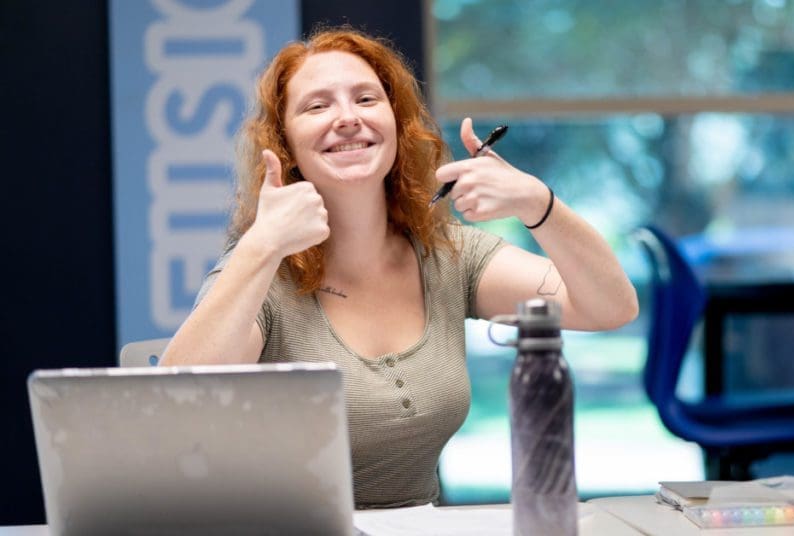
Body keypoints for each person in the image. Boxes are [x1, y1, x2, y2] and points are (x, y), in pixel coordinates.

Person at [160, 26, 639, 508]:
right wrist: (261, 245)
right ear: (284, 143)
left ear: (397, 122)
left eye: (366, 99)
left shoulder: (450, 256)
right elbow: (173, 407)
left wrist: (539, 203)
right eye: (317, 106)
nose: (347, 118)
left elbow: (610, 307)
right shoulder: (258, 276)